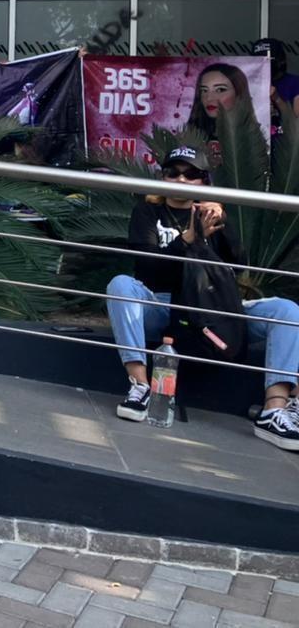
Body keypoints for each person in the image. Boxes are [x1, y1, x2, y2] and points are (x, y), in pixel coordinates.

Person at [105, 146, 299, 450]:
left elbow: (238, 265)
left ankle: (274, 409)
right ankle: (140, 386)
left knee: (287, 311)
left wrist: (224, 223)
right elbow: (147, 267)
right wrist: (188, 241)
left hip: (215, 309)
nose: (182, 179)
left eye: (192, 174)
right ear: (163, 177)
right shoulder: (148, 211)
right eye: (174, 172)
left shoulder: (212, 214)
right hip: (164, 303)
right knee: (120, 285)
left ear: (203, 182)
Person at [188, 62, 255, 142]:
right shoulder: (188, 138)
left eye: (220, 90)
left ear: (238, 93)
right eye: (204, 90)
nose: (209, 98)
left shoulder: (253, 141)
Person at [252, 38, 299, 135]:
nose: (264, 66)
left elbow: (296, 123)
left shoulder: (295, 82)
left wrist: (277, 99)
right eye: (259, 62)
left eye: (269, 62)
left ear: (280, 61)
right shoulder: (248, 83)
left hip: (286, 144)